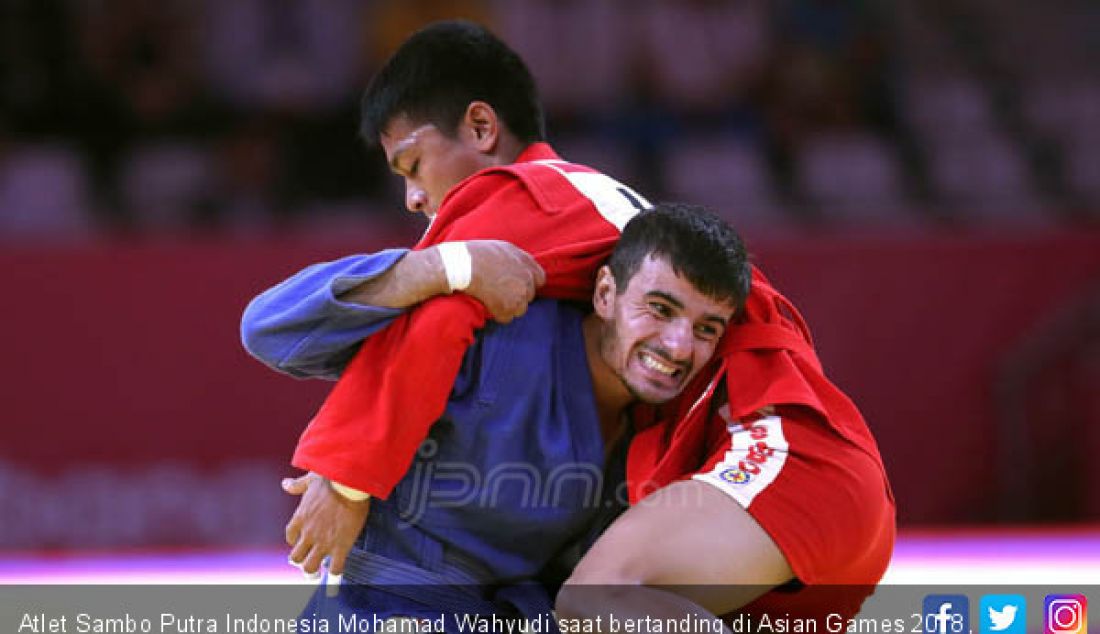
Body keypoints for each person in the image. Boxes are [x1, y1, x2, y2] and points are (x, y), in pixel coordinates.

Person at [241, 19, 894, 621]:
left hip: (779, 450)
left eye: (413, 164)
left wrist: (346, 478)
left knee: (595, 597)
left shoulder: (525, 193)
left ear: (480, 128)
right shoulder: (585, 218)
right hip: (761, 468)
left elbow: (422, 331)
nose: (413, 197)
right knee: (591, 605)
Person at [260, 204, 752, 624]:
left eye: (707, 329)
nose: (679, 345)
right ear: (605, 294)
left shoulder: (667, 433)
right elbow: (269, 329)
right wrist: (445, 266)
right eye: (660, 309)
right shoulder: (494, 329)